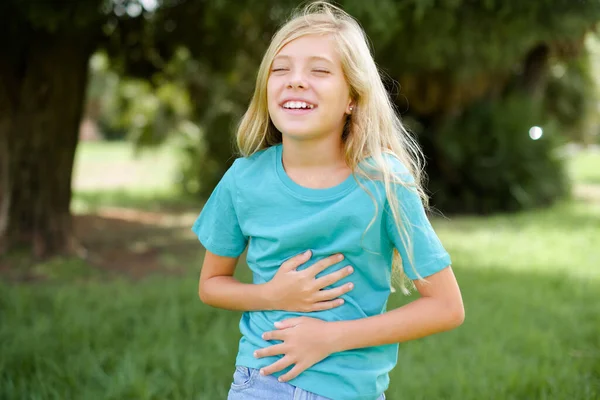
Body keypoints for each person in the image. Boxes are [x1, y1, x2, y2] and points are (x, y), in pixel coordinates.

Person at [192, 2, 464, 399]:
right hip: (261, 382)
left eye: (319, 71)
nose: (296, 81)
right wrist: (271, 295)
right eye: (280, 69)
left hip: (350, 390)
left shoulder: (384, 183)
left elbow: (446, 307)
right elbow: (211, 285)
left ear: (353, 96)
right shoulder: (243, 180)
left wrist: (330, 337)